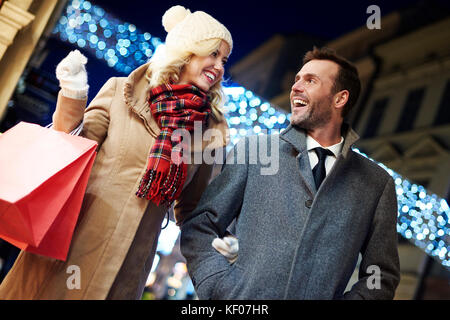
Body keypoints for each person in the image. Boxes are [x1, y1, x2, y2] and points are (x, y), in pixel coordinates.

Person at [0, 5, 235, 300]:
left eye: (224, 59)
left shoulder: (210, 132)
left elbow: (193, 209)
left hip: (129, 264)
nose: (219, 66)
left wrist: (219, 240)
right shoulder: (121, 92)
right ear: (187, 50)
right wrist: (73, 95)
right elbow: (69, 149)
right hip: (72, 243)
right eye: (213, 54)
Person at [180, 47, 401, 299]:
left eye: (310, 81)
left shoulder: (376, 183)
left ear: (339, 99)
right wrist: (219, 287)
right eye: (297, 79)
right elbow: (200, 225)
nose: (296, 87)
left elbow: (381, 274)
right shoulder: (255, 150)